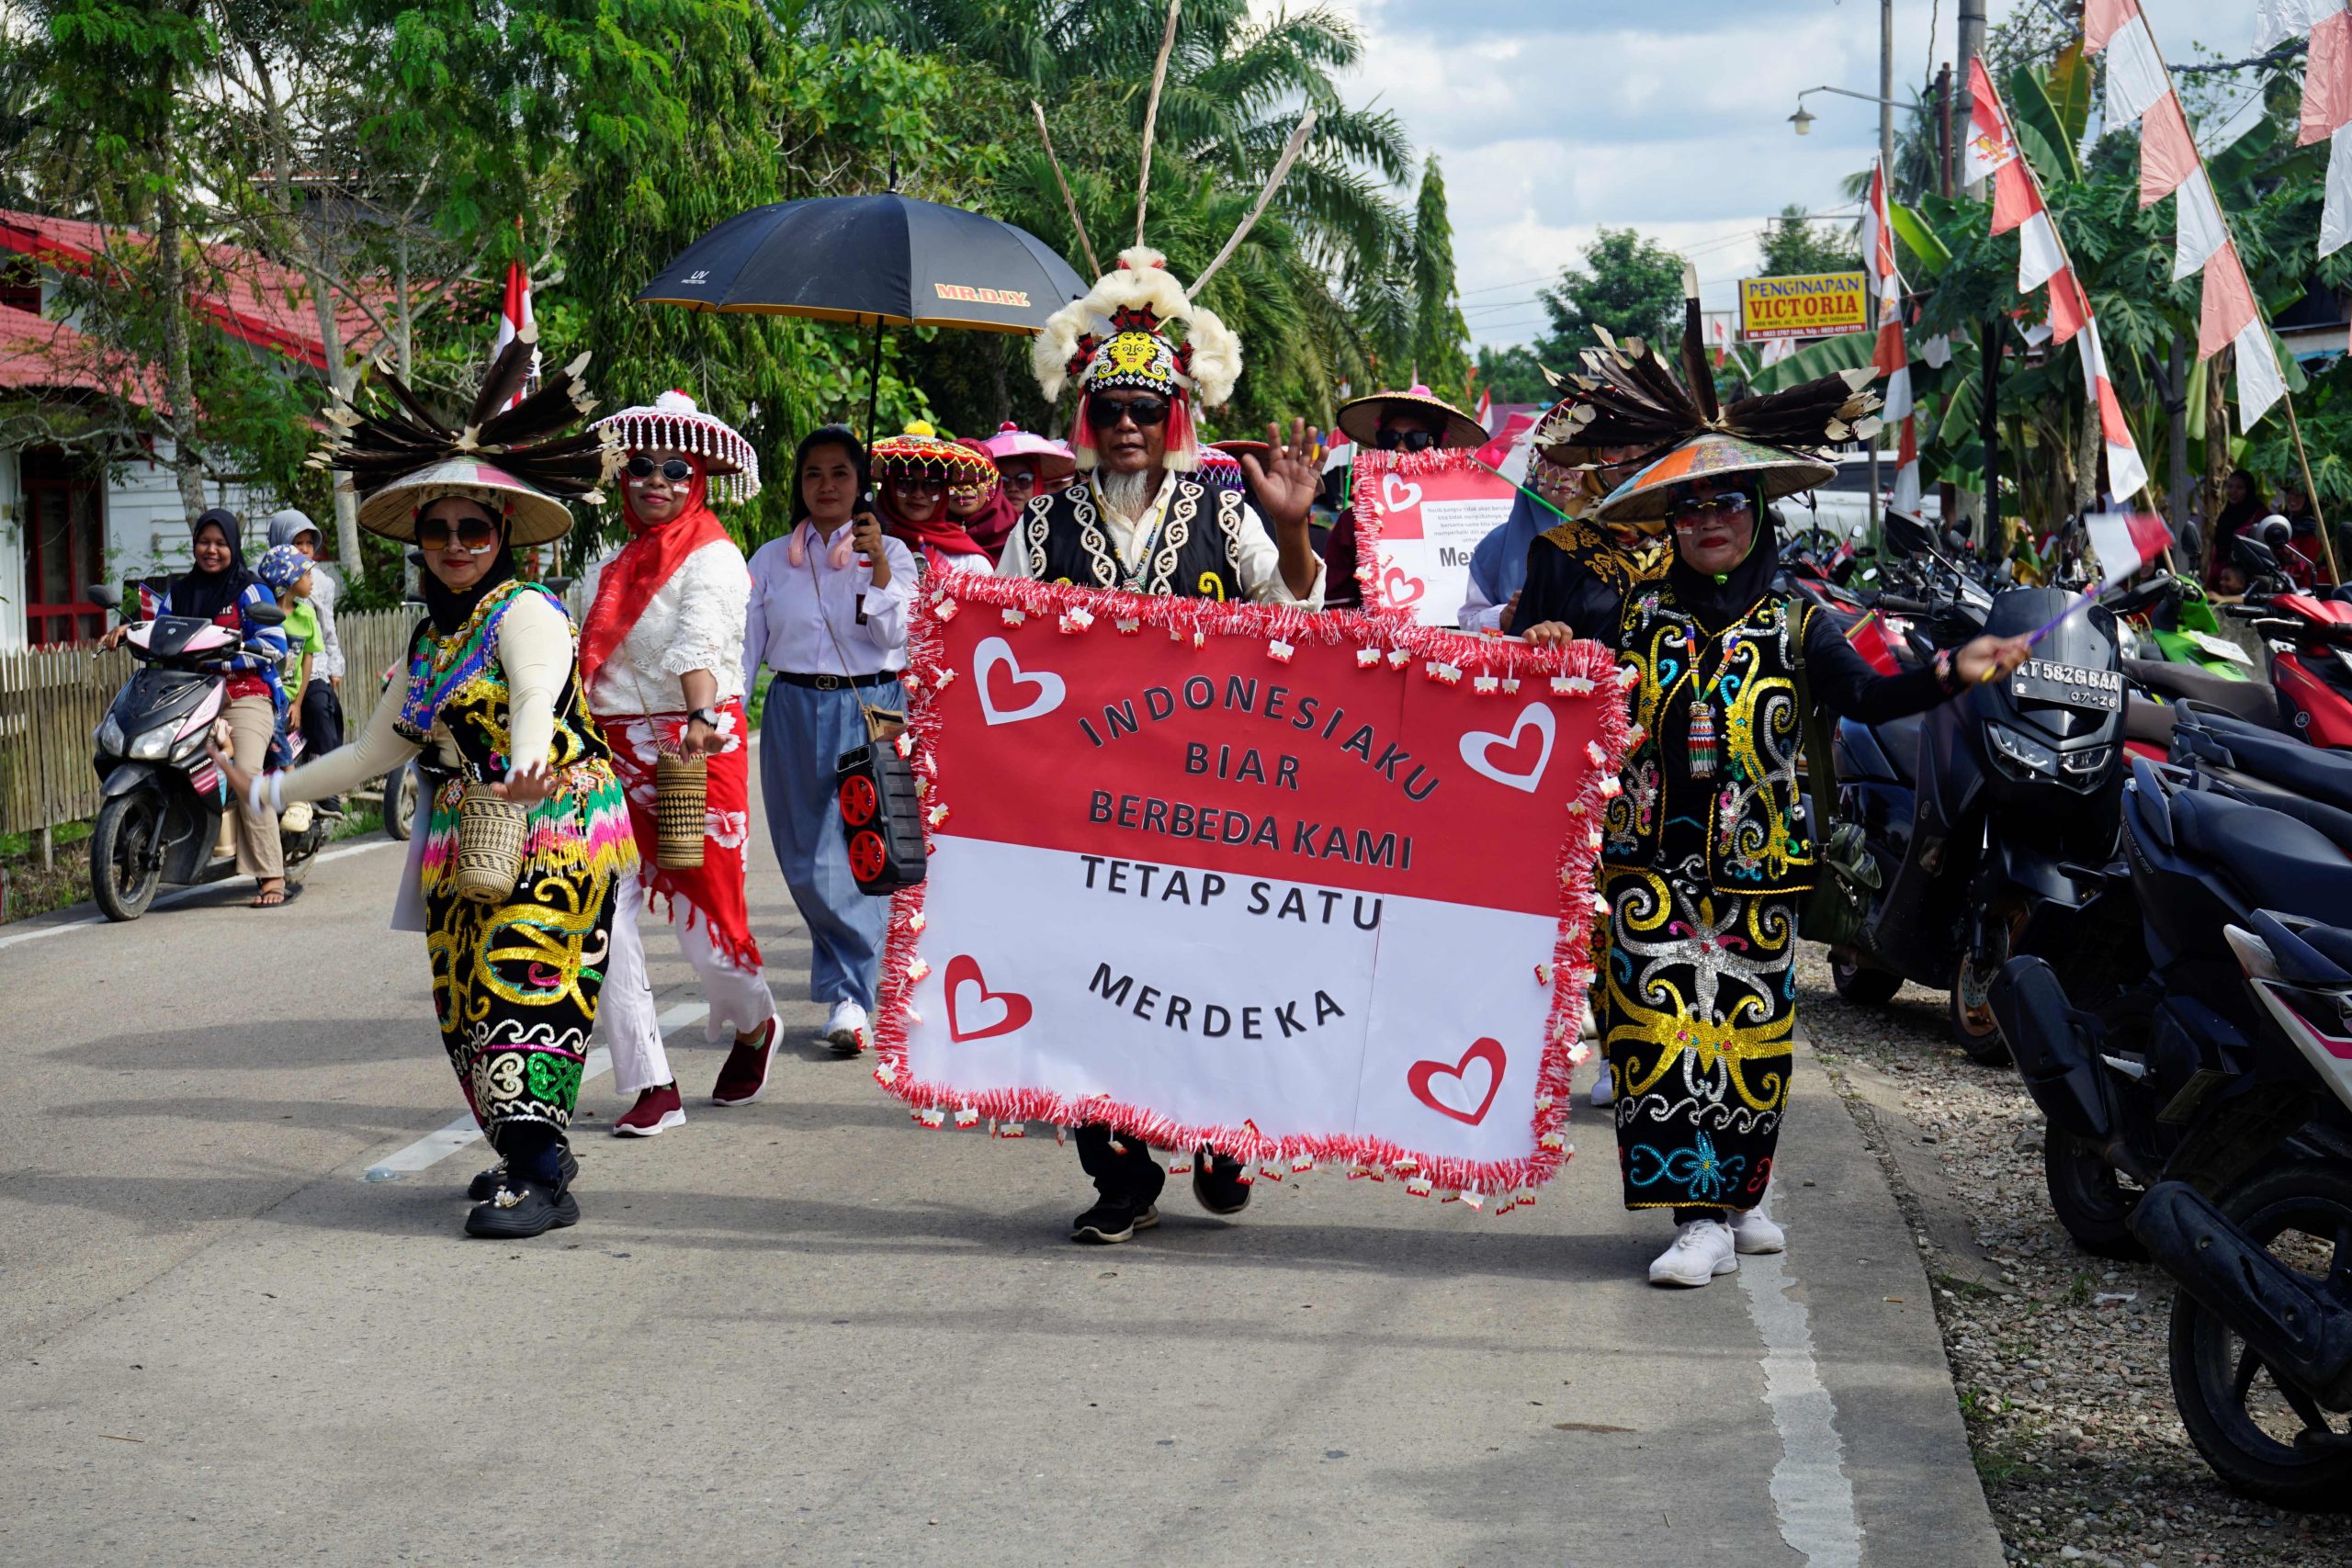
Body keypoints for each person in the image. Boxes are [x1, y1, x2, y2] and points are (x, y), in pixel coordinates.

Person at [1513, 335, 2030, 1288]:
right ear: (1671, 519)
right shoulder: (1629, 613)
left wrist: (1959, 671)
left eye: (1727, 503)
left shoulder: (1799, 622)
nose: (1709, 519)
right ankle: (1698, 1220)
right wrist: (1545, 636)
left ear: (1756, 513)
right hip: (1646, 869)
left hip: (1760, 867)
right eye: (1692, 505)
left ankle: (1739, 1194)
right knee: (1659, 1039)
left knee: (1745, 1037)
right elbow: (1545, 663)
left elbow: (1873, 700)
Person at [210, 340, 632, 1239]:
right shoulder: (429, 644)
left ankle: (543, 1179)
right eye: (437, 531)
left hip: (556, 817)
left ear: (503, 536)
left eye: (472, 531)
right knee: (466, 1005)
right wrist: (261, 789)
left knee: (528, 988)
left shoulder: (525, 612)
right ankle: (529, 1155)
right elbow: (370, 754)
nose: (453, 546)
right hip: (465, 830)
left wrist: (522, 761)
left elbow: (533, 693)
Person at [1009, 243, 1325, 1243]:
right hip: (1080, 799)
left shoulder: (1223, 513)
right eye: (1110, 411)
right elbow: (992, 641)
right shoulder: (1043, 520)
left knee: (1208, 972)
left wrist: (1293, 533)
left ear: (1175, 415)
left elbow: (1295, 621)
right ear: (1086, 419)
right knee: (1088, 983)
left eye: (1147, 411)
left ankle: (1225, 1134)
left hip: (1209, 796)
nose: (1130, 427)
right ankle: (1122, 1174)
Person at [579, 390, 780, 1130]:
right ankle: (652, 1085)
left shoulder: (716, 554)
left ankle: (755, 1021)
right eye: (640, 467)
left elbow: (701, 643)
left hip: (692, 746)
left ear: (695, 479)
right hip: (608, 750)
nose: (654, 480)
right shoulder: (613, 560)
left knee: (708, 931)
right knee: (603, 914)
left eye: (673, 469)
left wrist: (697, 718)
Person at [743, 426, 915, 1055]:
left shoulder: (891, 551)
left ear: (860, 483)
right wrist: (728, 717)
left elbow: (895, 637)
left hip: (875, 705)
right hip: (791, 706)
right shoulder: (768, 560)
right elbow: (745, 648)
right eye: (813, 473)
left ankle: (850, 995)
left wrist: (880, 566)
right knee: (804, 856)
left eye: (840, 473)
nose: (826, 486)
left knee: (870, 844)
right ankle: (865, 972)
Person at [105, 509, 291, 906]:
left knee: (246, 773)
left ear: (233, 546)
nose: (212, 550)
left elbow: (276, 644)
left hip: (243, 696)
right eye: (205, 542)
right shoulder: (180, 591)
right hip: (189, 694)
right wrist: (127, 631)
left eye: (221, 543)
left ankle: (271, 874)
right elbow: (159, 631)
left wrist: (230, 657)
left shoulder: (251, 590)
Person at [1464, 439, 1658, 637]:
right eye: (1550, 463)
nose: (1563, 476)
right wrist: (1502, 617)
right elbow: (1467, 621)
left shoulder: (1676, 534)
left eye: (1574, 464)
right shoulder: (1500, 544)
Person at [1317, 384, 1486, 611]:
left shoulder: (1461, 518)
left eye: (1415, 439)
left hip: (1453, 640)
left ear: (1435, 445)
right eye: (1390, 438)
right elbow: (1336, 607)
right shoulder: (1353, 522)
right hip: (1375, 643)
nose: (1400, 448)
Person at [265, 510, 345, 775]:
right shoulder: (264, 581)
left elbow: (327, 629)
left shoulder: (319, 582)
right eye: (297, 543)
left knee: (322, 707)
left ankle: (326, 783)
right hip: (277, 671)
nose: (305, 549)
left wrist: (334, 666)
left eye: (309, 543)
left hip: (312, 662)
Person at [871, 423, 997, 576]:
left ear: (944, 491)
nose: (918, 494)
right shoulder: (862, 546)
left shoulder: (969, 560)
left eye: (932, 485)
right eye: (905, 482)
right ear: (889, 486)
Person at [253, 543, 316, 769]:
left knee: (272, 723)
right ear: (290, 579)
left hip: (288, 694)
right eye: (306, 574)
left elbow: (308, 660)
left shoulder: (307, 615)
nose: (312, 580)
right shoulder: (263, 614)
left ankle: (290, 775)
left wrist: (298, 703)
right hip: (266, 690)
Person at [975, 421, 1078, 521]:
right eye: (1002, 481)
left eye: (1023, 479)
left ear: (1037, 483)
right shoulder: (971, 528)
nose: (1013, 488)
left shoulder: (1057, 524)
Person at [2204, 468, 2263, 592]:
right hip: (2223, 580)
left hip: (2249, 582)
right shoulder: (2225, 515)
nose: (2233, 491)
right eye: (2229, 487)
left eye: (2239, 488)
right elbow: (2218, 551)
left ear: (2249, 490)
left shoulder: (2259, 515)